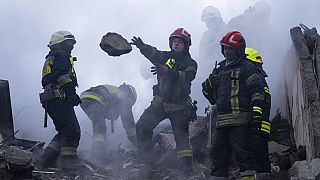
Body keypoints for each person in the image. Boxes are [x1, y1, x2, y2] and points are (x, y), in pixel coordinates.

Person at [131, 28, 197, 174]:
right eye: (174, 41)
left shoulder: (190, 63)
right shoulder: (165, 57)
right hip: (159, 103)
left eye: (180, 42)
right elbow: (155, 54)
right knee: (142, 126)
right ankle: (145, 162)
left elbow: (186, 77)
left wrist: (168, 72)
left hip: (179, 106)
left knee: (182, 140)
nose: (176, 44)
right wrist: (143, 47)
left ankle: (186, 171)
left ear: (186, 45)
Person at [202, 31, 265, 180]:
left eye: (229, 48)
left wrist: (257, 113)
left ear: (238, 49)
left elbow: (257, 90)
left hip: (240, 121)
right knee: (217, 157)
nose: (226, 51)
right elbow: (213, 99)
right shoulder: (219, 69)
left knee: (245, 158)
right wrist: (207, 88)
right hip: (222, 122)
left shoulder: (247, 67)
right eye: (224, 48)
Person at [39, 30, 83, 171]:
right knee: (72, 131)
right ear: (60, 44)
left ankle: (45, 160)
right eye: (68, 43)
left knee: (64, 130)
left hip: (51, 99)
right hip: (59, 98)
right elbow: (61, 75)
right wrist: (71, 94)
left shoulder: (52, 56)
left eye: (72, 44)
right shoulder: (61, 55)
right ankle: (69, 166)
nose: (71, 46)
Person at [80, 83, 137, 158]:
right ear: (130, 97)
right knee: (100, 126)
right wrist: (137, 141)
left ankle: (102, 149)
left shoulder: (115, 91)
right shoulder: (123, 96)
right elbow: (129, 123)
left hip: (85, 99)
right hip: (95, 99)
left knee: (99, 124)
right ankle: (99, 152)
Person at [245, 47, 271, 173]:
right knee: (262, 159)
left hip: (256, 126)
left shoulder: (255, 79)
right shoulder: (261, 79)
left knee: (257, 162)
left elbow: (257, 103)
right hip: (261, 127)